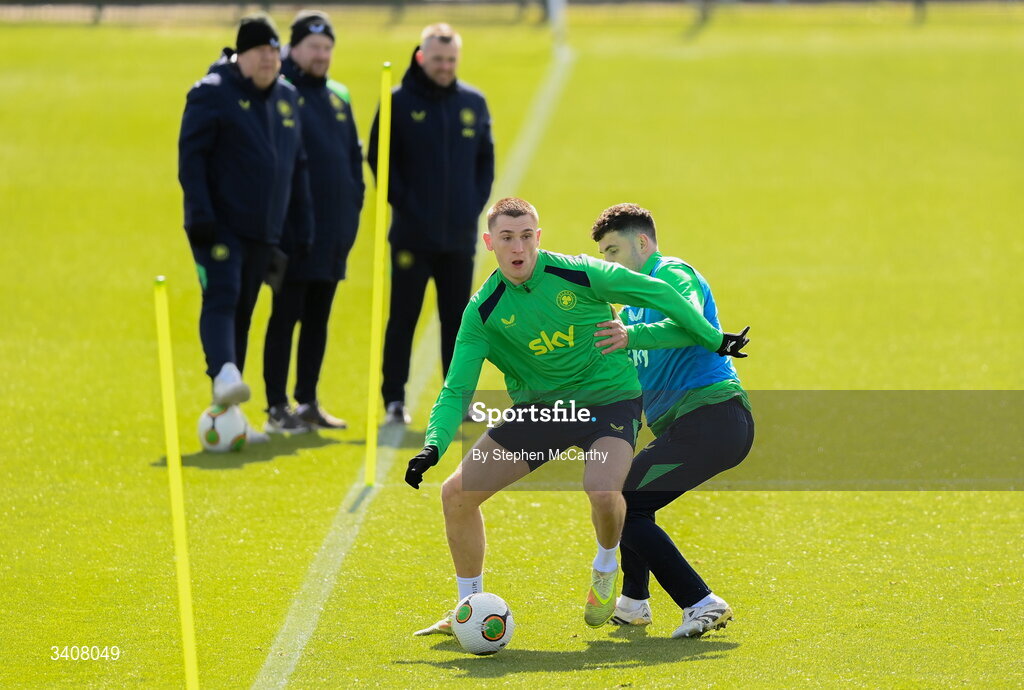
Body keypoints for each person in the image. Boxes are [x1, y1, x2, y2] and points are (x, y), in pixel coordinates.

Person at [405, 197, 750, 636]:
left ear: (538, 237)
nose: (519, 248)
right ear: (490, 242)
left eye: (527, 236)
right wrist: (434, 443)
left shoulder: (580, 271)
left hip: (610, 402)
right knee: (455, 494)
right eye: (508, 238)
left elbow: (660, 293)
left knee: (606, 490)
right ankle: (468, 608)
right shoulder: (483, 312)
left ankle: (606, 568)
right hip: (544, 411)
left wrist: (712, 337)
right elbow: (457, 388)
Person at [589, 203, 754, 638]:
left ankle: (701, 602)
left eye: (613, 251)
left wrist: (632, 335)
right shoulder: (629, 311)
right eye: (602, 256)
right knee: (632, 496)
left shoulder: (671, 273)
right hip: (690, 426)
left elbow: (691, 323)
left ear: (641, 243)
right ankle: (633, 603)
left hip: (715, 415)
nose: (609, 264)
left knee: (624, 499)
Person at [178, 15, 313, 440]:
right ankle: (223, 372)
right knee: (223, 296)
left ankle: (229, 415)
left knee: (244, 314)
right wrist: (200, 216)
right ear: (241, 55)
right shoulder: (211, 94)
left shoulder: (286, 99)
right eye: (261, 53)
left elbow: (297, 166)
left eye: (275, 53)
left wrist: (300, 226)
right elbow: (192, 158)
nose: (269, 61)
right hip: (219, 225)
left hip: (264, 229)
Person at [367, 23, 495, 426]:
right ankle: (393, 401)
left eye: (451, 60)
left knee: (459, 322)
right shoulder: (398, 102)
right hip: (411, 236)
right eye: (438, 59)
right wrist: (406, 204)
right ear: (421, 57)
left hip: (458, 237)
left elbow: (484, 163)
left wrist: (471, 205)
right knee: (403, 317)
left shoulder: (473, 102)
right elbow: (379, 159)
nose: (445, 67)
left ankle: (459, 401)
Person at [261, 11, 365, 434]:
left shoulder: (338, 97)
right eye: (313, 48)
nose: (321, 55)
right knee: (286, 316)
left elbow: (353, 164)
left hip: (333, 234)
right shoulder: (279, 93)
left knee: (318, 319)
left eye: (327, 48)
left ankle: (307, 400)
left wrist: (352, 214)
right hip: (293, 234)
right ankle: (275, 405)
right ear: (294, 48)